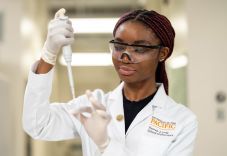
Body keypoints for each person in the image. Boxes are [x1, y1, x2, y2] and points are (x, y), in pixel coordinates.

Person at [23, 9, 198, 156]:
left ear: (162, 54)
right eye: (119, 47)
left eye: (139, 48)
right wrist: (48, 54)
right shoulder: (94, 106)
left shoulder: (182, 121)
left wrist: (106, 144)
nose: (125, 57)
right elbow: (38, 125)